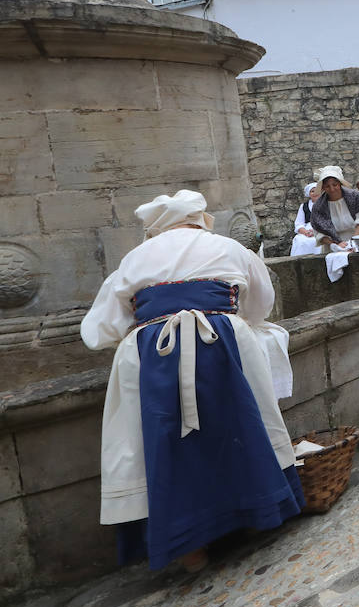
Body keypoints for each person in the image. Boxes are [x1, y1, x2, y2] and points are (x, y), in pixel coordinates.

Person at [81, 190, 299, 572]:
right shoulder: (229, 248)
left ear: (157, 228)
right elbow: (260, 305)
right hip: (224, 340)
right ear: (200, 219)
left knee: (164, 440)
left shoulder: (133, 259)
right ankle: (255, 513)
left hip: (152, 351)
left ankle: (188, 548)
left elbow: (101, 330)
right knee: (241, 427)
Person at [311, 166, 359, 246]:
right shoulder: (318, 206)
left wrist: (353, 242)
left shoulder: (355, 197)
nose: (332, 189)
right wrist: (335, 245)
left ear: (340, 183)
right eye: (327, 186)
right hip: (334, 245)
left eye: (334, 185)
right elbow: (319, 232)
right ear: (323, 188)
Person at [289, 182, 321, 256]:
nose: (315, 193)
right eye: (312, 191)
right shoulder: (304, 206)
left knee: (318, 241)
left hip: (322, 230)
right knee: (300, 241)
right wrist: (306, 232)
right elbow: (299, 223)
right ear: (309, 194)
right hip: (307, 231)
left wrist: (316, 232)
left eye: (317, 191)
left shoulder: (326, 204)